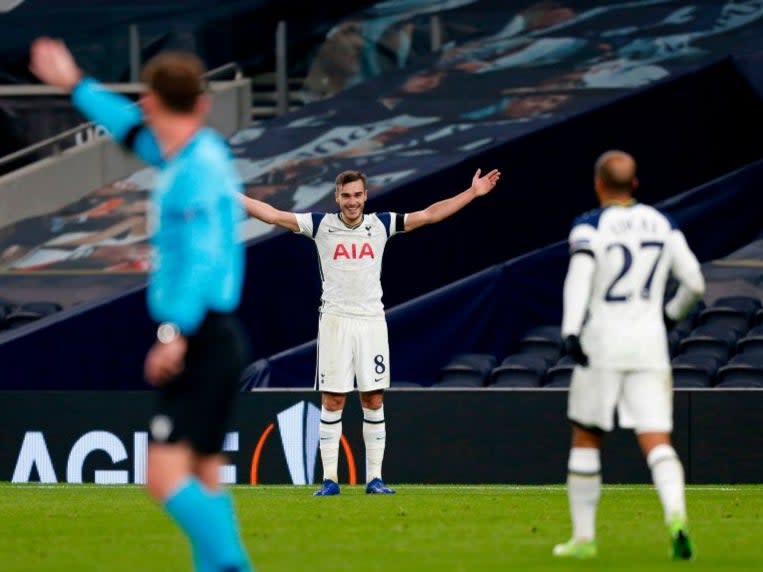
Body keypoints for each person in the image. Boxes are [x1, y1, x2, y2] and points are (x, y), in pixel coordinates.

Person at [29, 38, 253, 571]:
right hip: (217, 334)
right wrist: (74, 84)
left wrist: (174, 335)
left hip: (200, 335)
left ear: (150, 101)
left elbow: (202, 260)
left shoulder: (193, 171)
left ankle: (239, 565)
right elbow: (129, 131)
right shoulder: (194, 152)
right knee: (203, 475)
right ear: (200, 104)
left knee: (163, 478)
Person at [241, 167, 500, 495]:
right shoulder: (321, 225)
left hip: (371, 323)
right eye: (346, 196)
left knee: (373, 398)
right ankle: (330, 480)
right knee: (333, 399)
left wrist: (472, 193)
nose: (352, 202)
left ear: (366, 196)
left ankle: (375, 479)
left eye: (357, 195)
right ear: (337, 197)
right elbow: (274, 215)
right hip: (335, 322)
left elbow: (431, 215)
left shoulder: (381, 224)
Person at [554, 150, 705, 560]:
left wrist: (570, 331)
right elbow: (694, 282)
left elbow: (579, 277)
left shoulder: (589, 226)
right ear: (635, 185)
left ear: (598, 184)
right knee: (657, 439)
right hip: (649, 344)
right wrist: (670, 318)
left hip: (603, 340)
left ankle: (584, 539)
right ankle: (677, 518)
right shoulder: (663, 223)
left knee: (587, 435)